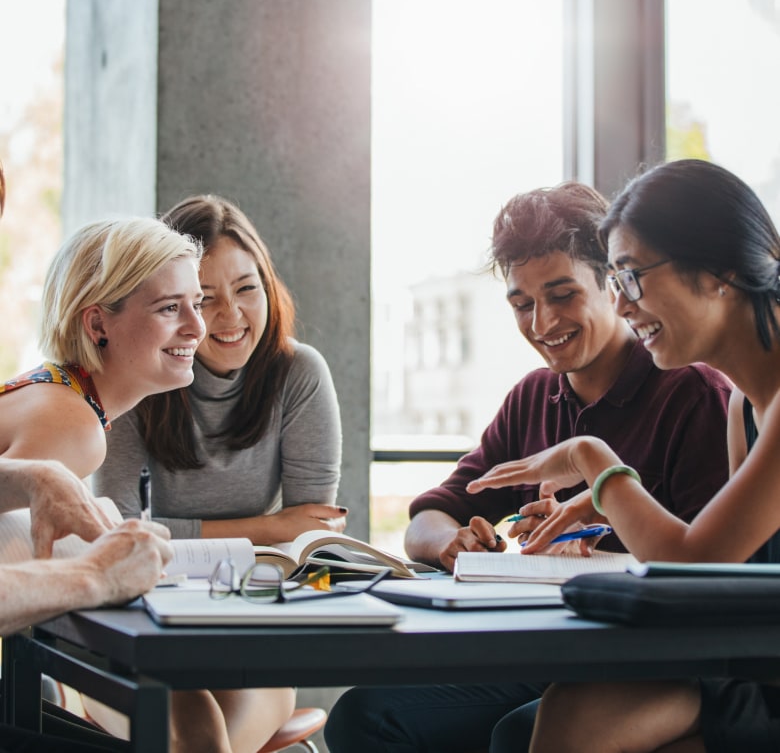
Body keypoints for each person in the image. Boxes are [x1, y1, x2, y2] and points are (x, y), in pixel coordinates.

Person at [324, 181, 732, 753]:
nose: (541, 324)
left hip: (650, 662)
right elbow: (429, 516)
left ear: (612, 285)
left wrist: (598, 545)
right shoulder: (534, 396)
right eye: (521, 304)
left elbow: (705, 575)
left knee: (520, 735)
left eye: (562, 295)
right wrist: (453, 543)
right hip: (548, 654)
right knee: (363, 716)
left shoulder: (692, 392)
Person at [467, 158, 780, 753]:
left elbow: (696, 567)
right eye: (614, 279)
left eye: (632, 276)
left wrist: (594, 461)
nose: (623, 304)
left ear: (719, 270)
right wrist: (606, 505)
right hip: (748, 665)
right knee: (550, 719)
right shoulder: (745, 404)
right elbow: (721, 579)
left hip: (762, 679)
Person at [92, 194, 344, 748]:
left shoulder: (299, 374)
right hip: (150, 626)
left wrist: (280, 533)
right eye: (203, 299)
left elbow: (308, 544)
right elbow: (116, 538)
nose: (229, 317)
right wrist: (267, 527)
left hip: (254, 627)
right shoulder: (137, 379)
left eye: (246, 288)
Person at [0, 161, 173, 752]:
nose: (202, 325)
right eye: (171, 307)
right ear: (98, 324)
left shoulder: (60, 402)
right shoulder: (73, 422)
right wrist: (94, 571)